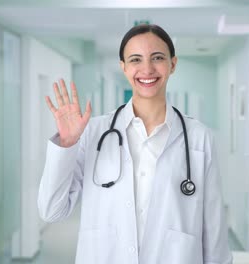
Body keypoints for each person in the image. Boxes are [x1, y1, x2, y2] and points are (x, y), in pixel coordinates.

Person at [38, 24, 232, 264]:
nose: (147, 69)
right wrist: (67, 144)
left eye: (157, 58)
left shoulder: (199, 138)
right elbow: (52, 210)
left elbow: (214, 232)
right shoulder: (95, 132)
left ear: (173, 64)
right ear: (124, 67)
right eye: (135, 59)